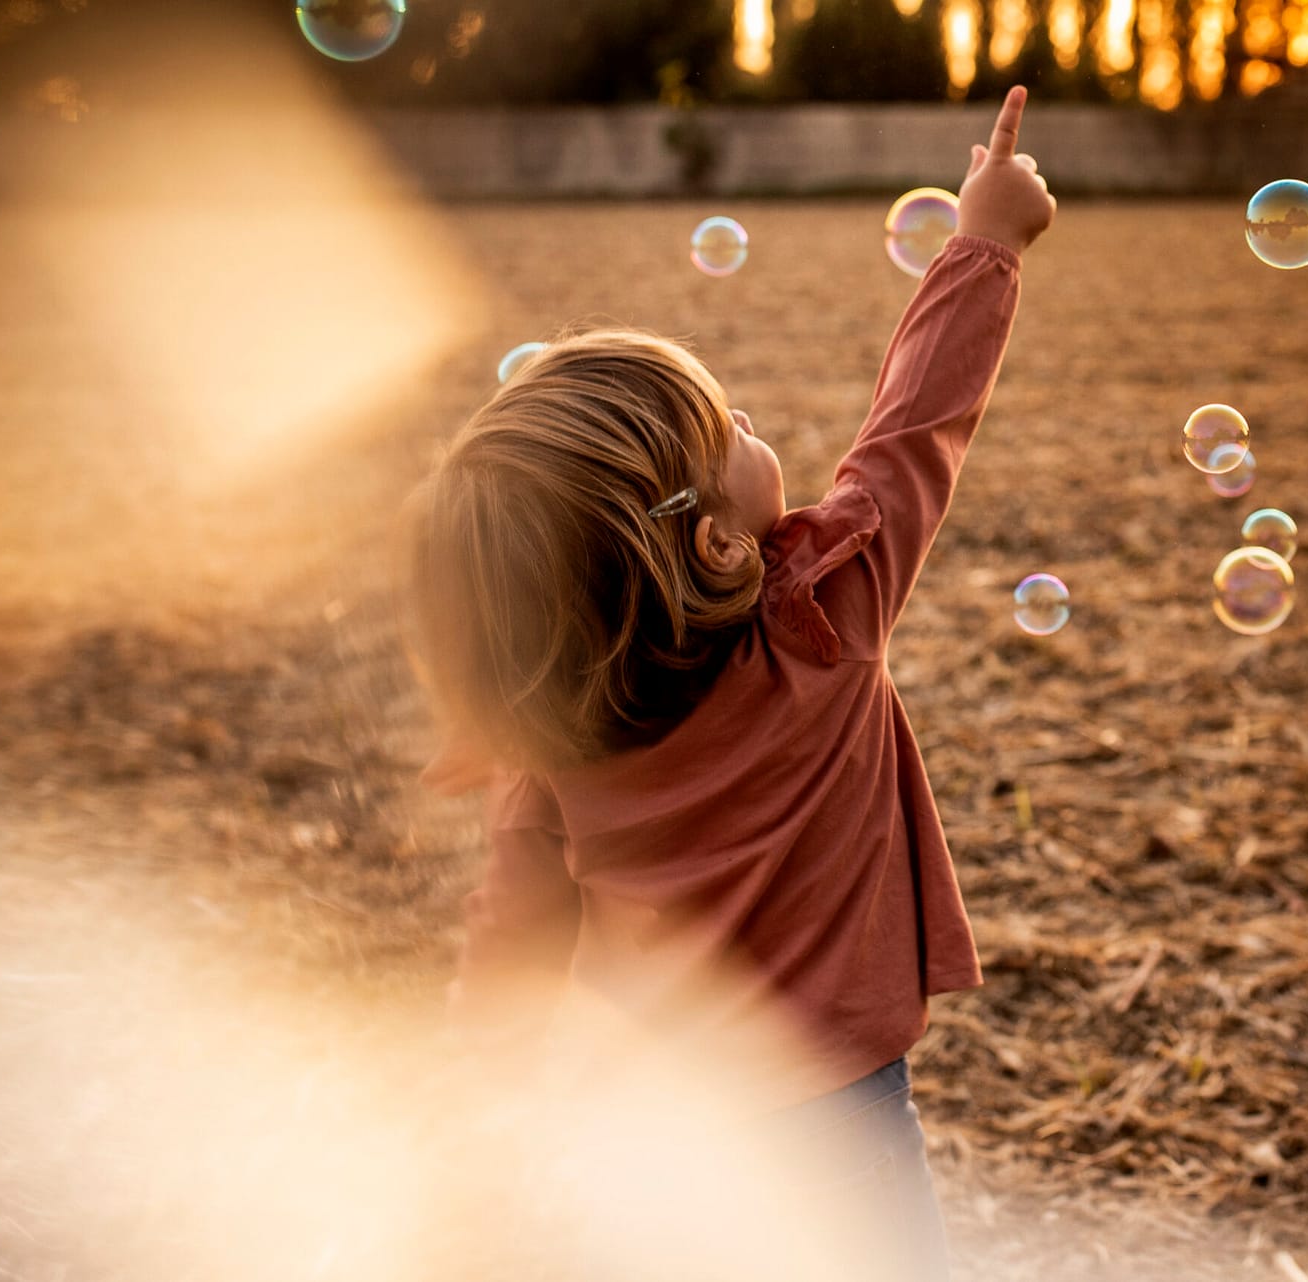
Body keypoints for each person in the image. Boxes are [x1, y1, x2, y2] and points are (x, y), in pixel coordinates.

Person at [405, 87, 1055, 1281]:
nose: (751, 418)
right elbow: (915, 427)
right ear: (710, 542)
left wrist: (479, 1099)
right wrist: (989, 242)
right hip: (839, 1120)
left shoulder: (552, 731)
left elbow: (512, 930)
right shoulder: (827, 624)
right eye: (728, 430)